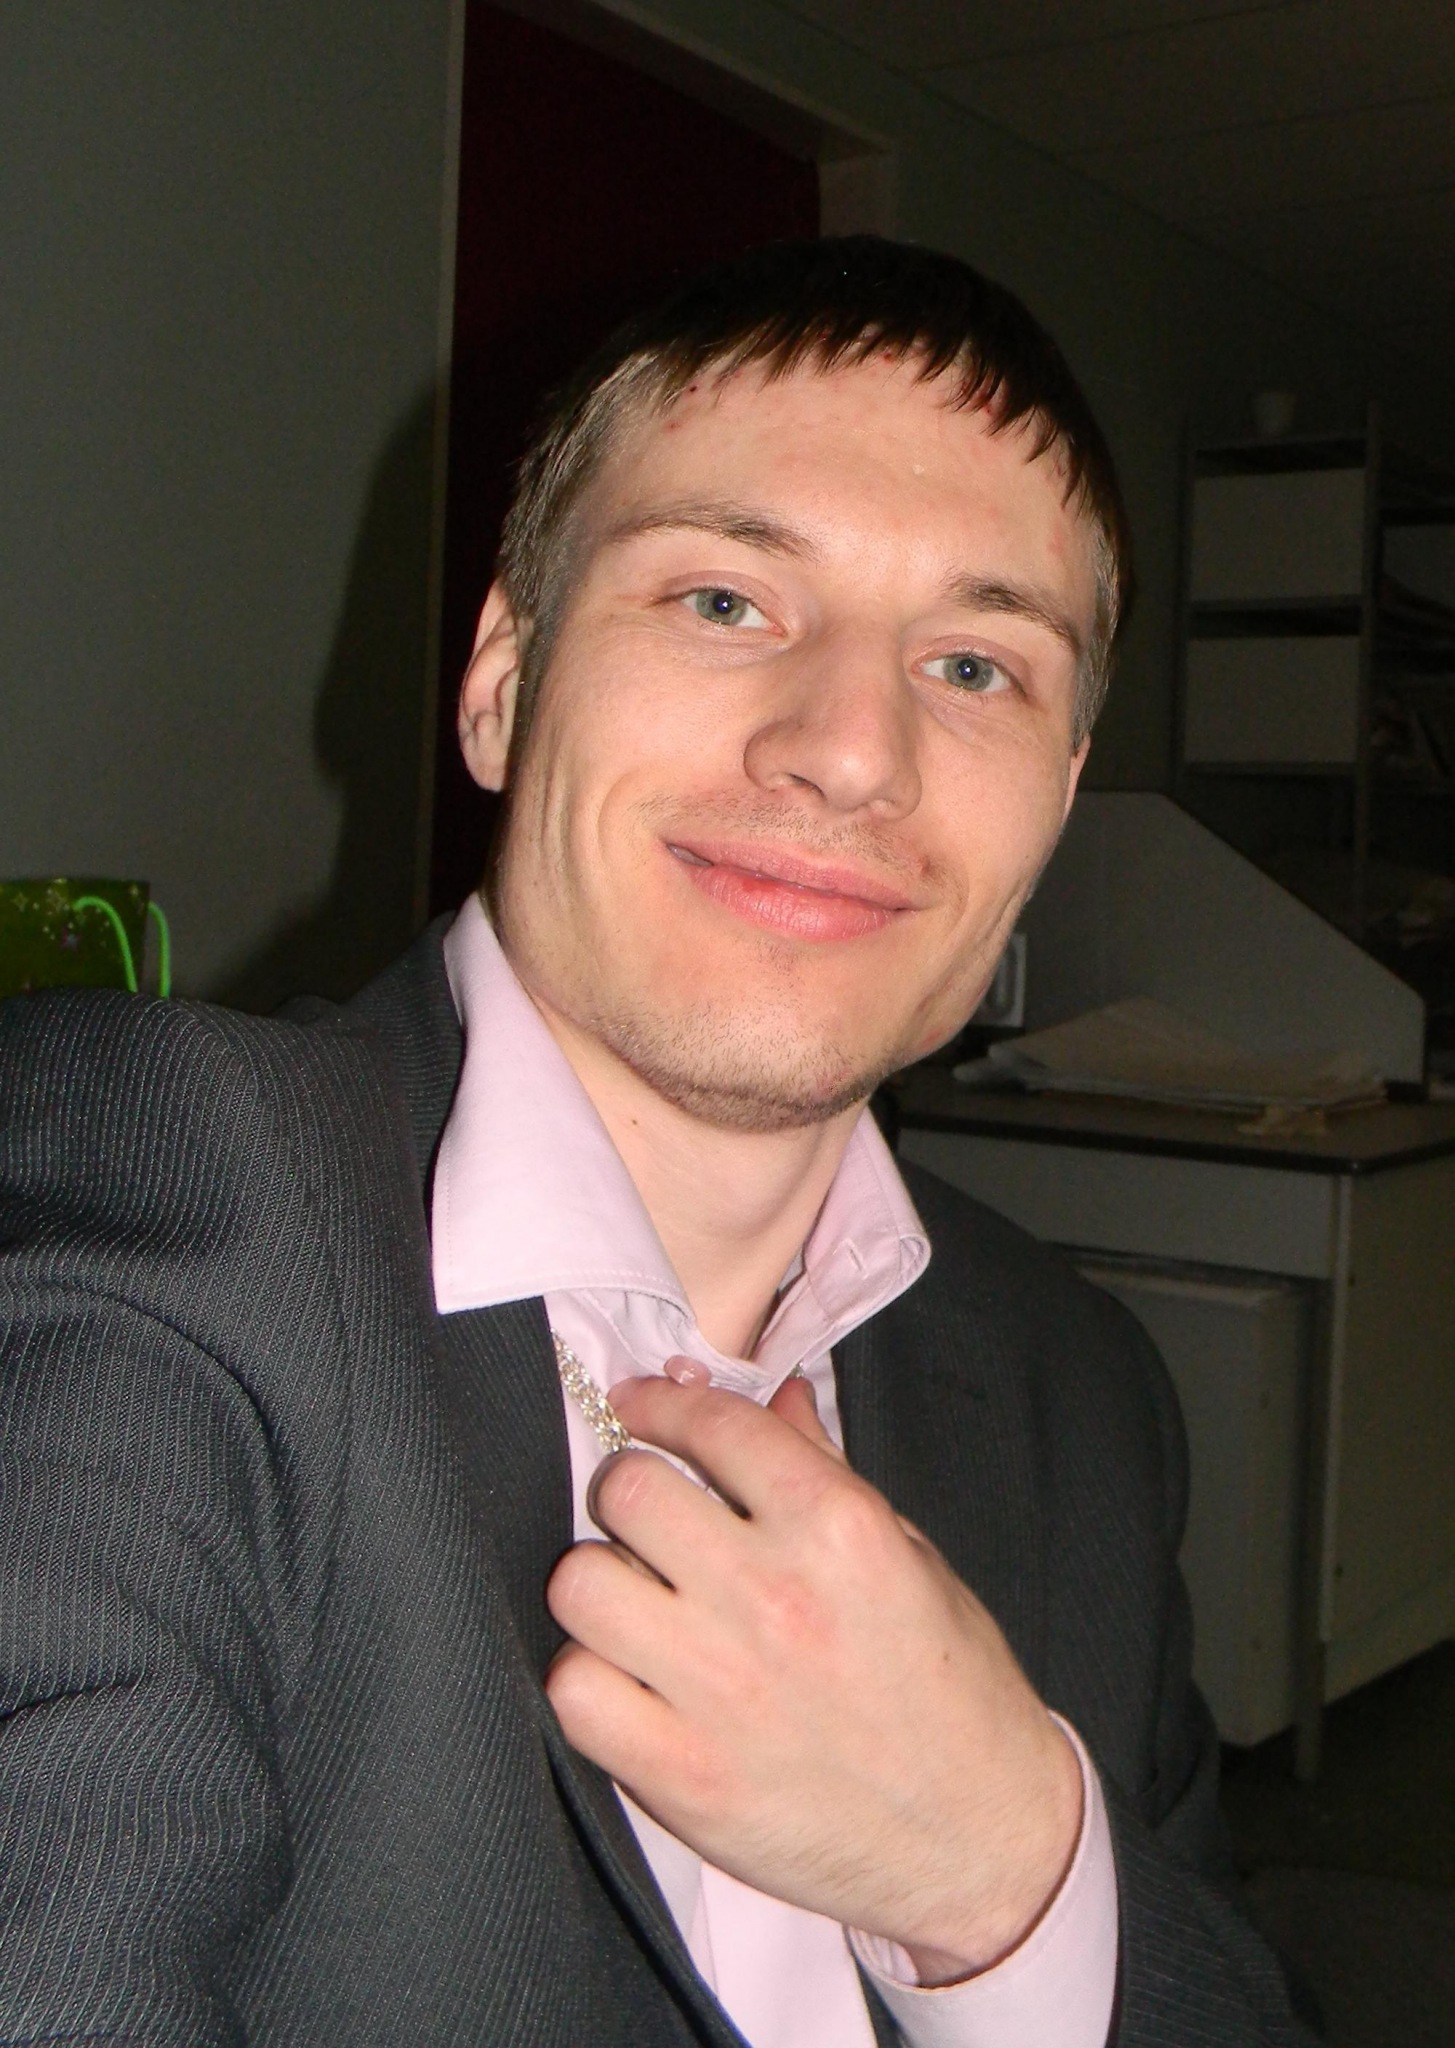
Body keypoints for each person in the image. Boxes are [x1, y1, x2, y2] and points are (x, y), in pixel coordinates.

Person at [0, 237, 1314, 2046]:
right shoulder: (161, 1193)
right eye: (724, 600)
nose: (853, 750)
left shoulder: (1080, 1389)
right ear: (501, 678)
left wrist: (1008, 1879)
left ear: (1061, 796)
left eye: (975, 663)